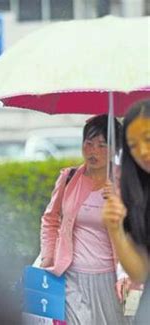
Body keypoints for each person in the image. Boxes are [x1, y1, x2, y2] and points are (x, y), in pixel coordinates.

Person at [40, 115, 132, 324]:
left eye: (102, 145)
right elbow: (50, 219)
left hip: (112, 277)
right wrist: (48, 257)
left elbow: (136, 228)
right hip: (71, 275)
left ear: (115, 149)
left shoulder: (125, 182)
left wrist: (118, 200)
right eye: (89, 144)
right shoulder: (69, 178)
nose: (93, 151)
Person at [102, 101, 150, 323]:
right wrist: (116, 229)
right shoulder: (138, 196)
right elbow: (140, 272)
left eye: (148, 139)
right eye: (132, 145)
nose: (142, 151)